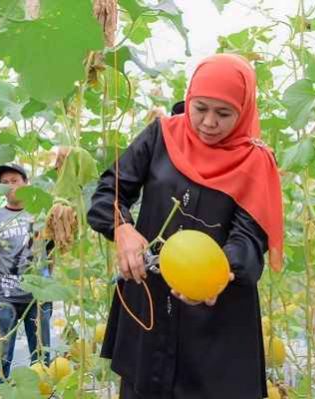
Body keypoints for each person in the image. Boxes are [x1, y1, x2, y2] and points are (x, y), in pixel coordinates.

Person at [87, 54, 284, 399]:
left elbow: (250, 237)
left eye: (224, 114)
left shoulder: (255, 161)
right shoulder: (161, 136)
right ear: (189, 100)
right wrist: (121, 228)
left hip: (215, 320)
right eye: (200, 108)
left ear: (244, 111)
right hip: (148, 306)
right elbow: (110, 190)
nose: (209, 122)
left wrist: (219, 272)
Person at [0, 163, 53, 395]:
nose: (9, 186)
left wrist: (45, 281)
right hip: (5, 297)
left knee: (42, 359)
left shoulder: (41, 213)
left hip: (38, 297)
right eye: (4, 183)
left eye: (14, 181)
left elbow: (51, 252)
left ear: (26, 183)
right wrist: (1, 284)